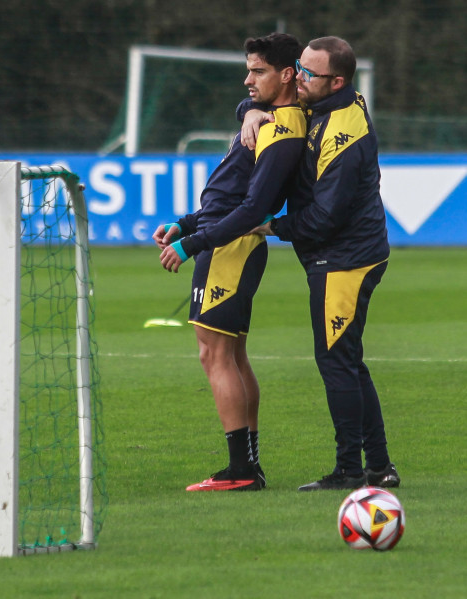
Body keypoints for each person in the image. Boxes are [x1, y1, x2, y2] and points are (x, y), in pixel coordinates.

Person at [244, 36, 400, 491]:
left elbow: (327, 216)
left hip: (346, 259)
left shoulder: (343, 132)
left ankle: (351, 469)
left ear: (337, 81)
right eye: (299, 67)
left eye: (309, 73)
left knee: (335, 362)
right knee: (348, 361)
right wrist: (249, 111)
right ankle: (380, 466)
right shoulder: (329, 102)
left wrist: (273, 227)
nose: (300, 78)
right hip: (346, 253)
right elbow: (265, 93)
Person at [152, 32, 306, 491]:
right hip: (223, 240)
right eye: (248, 69)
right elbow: (231, 192)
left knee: (214, 353)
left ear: (286, 74)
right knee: (231, 354)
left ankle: (241, 470)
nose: (247, 80)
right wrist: (188, 222)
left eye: (257, 71)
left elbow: (252, 209)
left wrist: (193, 243)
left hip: (230, 247)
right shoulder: (265, 117)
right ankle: (248, 465)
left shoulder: (282, 129)